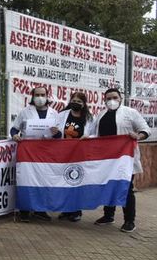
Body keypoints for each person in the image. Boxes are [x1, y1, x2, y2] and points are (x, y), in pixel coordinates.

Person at [91, 88, 150, 232]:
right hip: (106, 159)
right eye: (108, 98)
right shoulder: (101, 114)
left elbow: (145, 130)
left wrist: (138, 136)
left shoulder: (131, 113)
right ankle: (108, 215)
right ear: (104, 100)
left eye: (115, 97)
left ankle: (129, 221)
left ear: (120, 98)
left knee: (126, 188)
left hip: (125, 159)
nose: (112, 100)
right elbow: (95, 134)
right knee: (108, 186)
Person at [11, 86, 58, 222]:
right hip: (28, 152)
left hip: (46, 152)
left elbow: (58, 134)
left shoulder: (54, 113)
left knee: (44, 180)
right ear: (32, 96)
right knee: (26, 180)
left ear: (47, 96)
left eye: (42, 95)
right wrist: (15, 136)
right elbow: (14, 129)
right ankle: (24, 210)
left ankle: (40, 210)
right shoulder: (25, 112)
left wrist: (56, 132)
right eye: (37, 95)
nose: (40, 98)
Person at [50, 92, 95, 222]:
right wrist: (55, 133)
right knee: (64, 181)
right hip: (64, 153)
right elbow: (57, 134)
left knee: (77, 181)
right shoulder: (62, 115)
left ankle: (76, 211)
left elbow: (95, 134)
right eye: (74, 100)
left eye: (79, 102)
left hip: (80, 155)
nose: (76, 103)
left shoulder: (90, 118)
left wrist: (89, 137)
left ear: (84, 104)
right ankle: (66, 210)